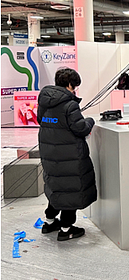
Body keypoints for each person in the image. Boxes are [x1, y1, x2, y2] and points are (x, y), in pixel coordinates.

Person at [37, 67, 95, 241]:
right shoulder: (69, 105)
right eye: (75, 85)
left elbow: (41, 121)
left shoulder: (45, 101)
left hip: (49, 152)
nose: (75, 89)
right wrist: (90, 121)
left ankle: (49, 221)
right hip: (69, 154)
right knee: (71, 188)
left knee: (55, 186)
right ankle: (66, 228)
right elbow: (81, 128)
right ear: (70, 84)